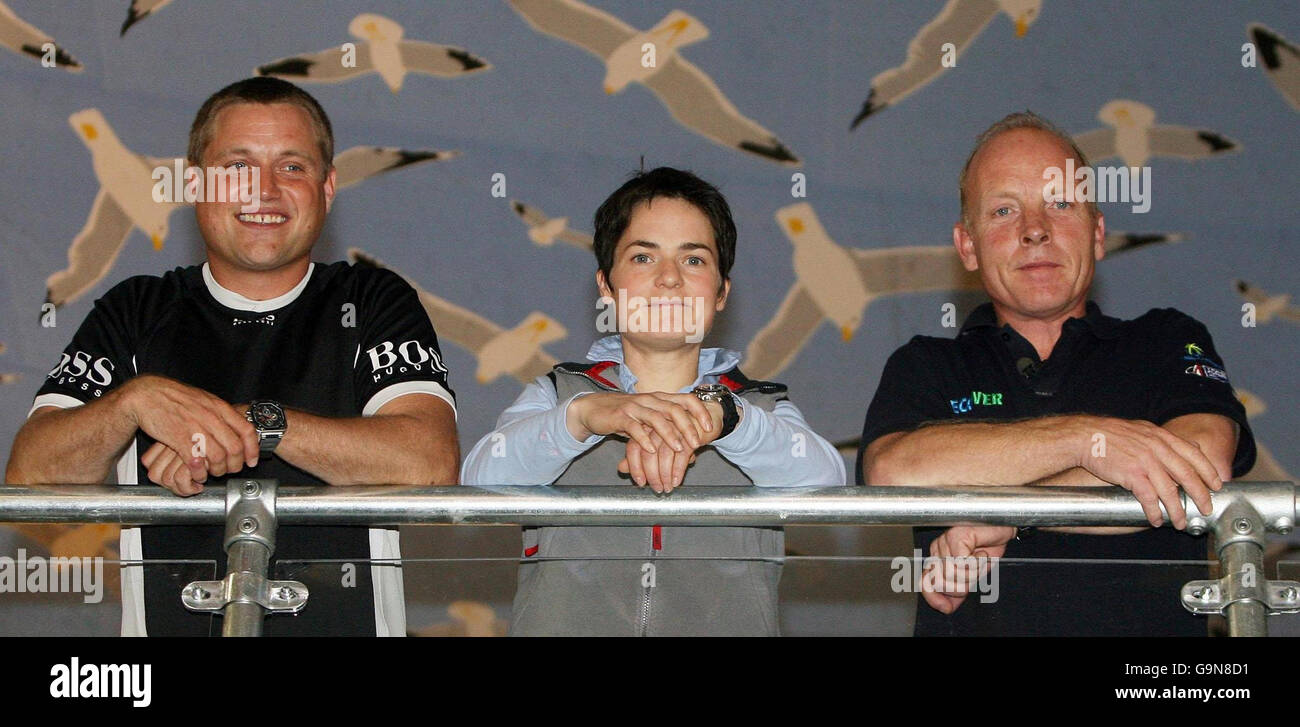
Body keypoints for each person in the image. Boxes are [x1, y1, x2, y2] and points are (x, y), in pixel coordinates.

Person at [5, 77, 459, 636]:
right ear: (194, 184)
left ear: (328, 186)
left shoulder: (371, 300)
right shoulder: (137, 308)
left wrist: (255, 425)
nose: (264, 190)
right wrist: (133, 404)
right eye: (238, 167)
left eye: (292, 166)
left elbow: (428, 465)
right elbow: (31, 479)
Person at [857, 111, 1255, 636]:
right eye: (1003, 210)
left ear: (1097, 233)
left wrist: (1011, 515)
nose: (1035, 230)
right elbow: (893, 473)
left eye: (1060, 204)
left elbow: (1199, 459)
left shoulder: (1164, 339)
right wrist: (1090, 442)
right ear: (968, 246)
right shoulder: (926, 365)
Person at [462, 167, 845, 636]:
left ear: (722, 291)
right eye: (643, 258)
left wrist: (728, 418)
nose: (669, 279)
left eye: (695, 260)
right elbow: (478, 485)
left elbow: (828, 486)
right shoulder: (557, 394)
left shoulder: (760, 407)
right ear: (605, 286)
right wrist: (582, 417)